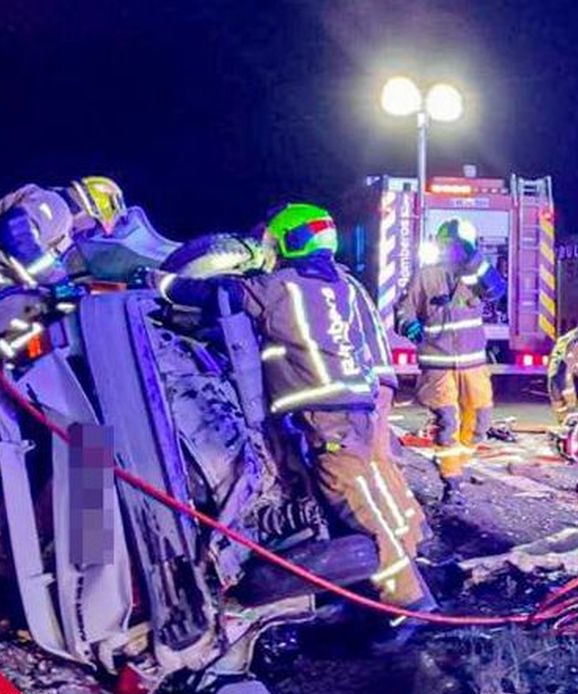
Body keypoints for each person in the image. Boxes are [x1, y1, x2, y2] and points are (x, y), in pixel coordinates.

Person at [149, 203, 429, 608]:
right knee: (385, 492)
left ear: (290, 240)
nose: (271, 248)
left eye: (275, 240)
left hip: (326, 417)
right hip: (359, 408)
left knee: (358, 504)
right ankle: (412, 563)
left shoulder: (281, 287)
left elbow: (216, 293)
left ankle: (407, 605)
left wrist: (157, 282)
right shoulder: (344, 286)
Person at [0, 177, 126, 358]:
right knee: (51, 311)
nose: (86, 232)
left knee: (50, 304)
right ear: (91, 210)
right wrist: (56, 281)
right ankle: (10, 371)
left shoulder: (58, 221)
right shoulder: (56, 206)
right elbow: (16, 232)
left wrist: (63, 283)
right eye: (94, 226)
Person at [396, 219, 506, 502]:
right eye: (446, 241)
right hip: (437, 364)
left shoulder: (477, 275)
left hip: (473, 365)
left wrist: (475, 262)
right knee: (448, 421)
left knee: (480, 422)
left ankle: (455, 461)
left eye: (456, 243)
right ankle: (452, 483)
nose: (449, 247)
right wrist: (409, 325)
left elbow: (497, 291)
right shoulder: (426, 276)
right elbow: (404, 310)